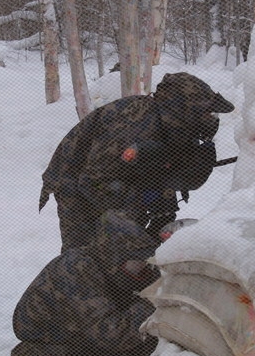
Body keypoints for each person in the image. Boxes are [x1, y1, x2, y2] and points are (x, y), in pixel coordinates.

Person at [39, 72, 234, 251]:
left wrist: (162, 210)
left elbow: (158, 169)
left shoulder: (170, 124)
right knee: (87, 258)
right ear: (183, 108)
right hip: (74, 182)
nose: (211, 119)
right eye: (206, 113)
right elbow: (93, 181)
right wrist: (140, 205)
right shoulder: (134, 125)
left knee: (130, 251)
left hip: (115, 179)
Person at [10, 210, 161, 356]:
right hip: (51, 353)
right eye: (134, 264)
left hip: (86, 345)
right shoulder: (76, 269)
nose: (139, 270)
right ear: (114, 255)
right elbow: (111, 335)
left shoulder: (108, 266)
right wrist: (151, 301)